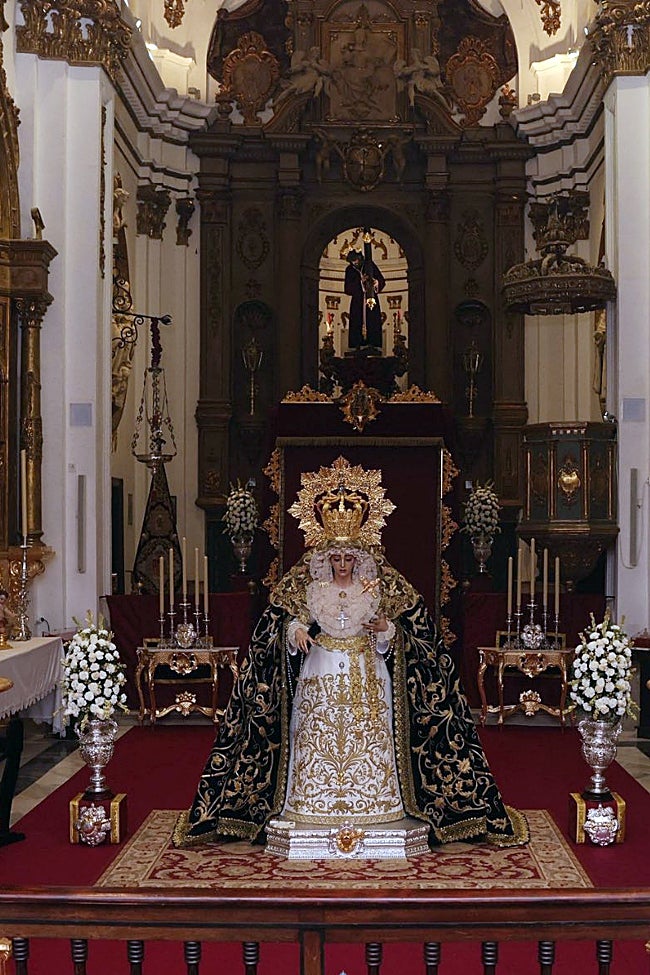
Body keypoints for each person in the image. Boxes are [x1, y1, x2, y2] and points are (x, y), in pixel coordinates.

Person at [175, 456, 528, 851]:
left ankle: (378, 801)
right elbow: (276, 626)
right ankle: (310, 801)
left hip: (367, 672)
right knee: (317, 735)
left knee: (369, 734)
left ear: (359, 558)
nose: (342, 565)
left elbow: (419, 637)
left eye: (349, 558)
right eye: (336, 558)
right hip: (320, 671)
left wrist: (387, 631)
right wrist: (294, 632)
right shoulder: (307, 585)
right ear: (325, 558)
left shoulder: (381, 587)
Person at [344, 249, 385, 350]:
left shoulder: (369, 266)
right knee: (356, 321)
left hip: (371, 299)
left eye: (357, 260)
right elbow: (347, 289)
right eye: (353, 261)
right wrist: (360, 282)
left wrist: (377, 283)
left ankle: (373, 343)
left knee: (372, 320)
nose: (355, 263)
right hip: (357, 301)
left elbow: (381, 280)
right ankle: (357, 344)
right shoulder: (349, 270)